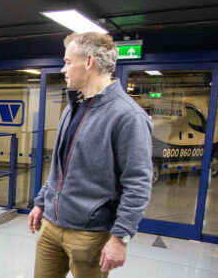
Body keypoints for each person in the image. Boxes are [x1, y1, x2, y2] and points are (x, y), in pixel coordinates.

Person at [27, 32, 153, 278]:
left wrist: (120, 237)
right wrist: (42, 202)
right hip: (51, 227)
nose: (63, 69)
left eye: (67, 62)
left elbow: (138, 183)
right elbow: (59, 168)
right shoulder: (72, 108)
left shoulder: (128, 116)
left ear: (88, 62)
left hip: (90, 234)